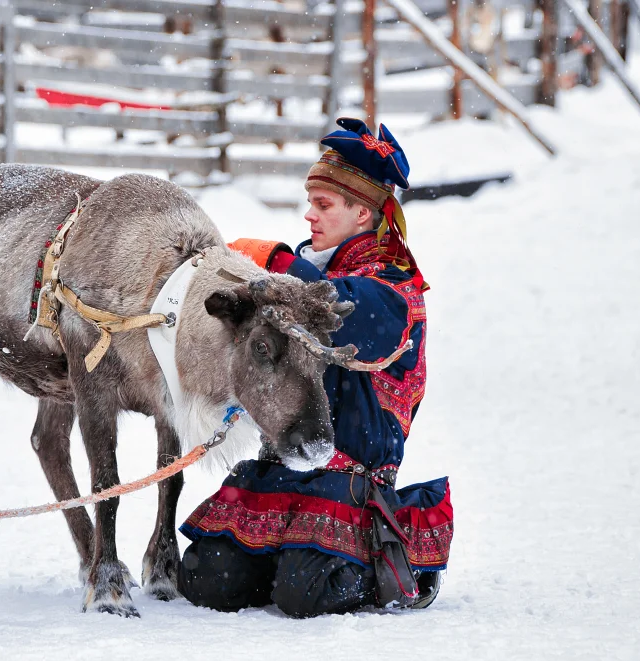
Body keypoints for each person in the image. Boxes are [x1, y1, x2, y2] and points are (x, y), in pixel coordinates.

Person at [177, 118, 453, 617]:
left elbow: (335, 308)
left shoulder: (393, 291)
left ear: (363, 214)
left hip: (350, 481)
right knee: (205, 581)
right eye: (310, 202)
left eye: (323, 205)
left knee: (306, 595)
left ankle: (403, 560)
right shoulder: (300, 279)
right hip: (285, 463)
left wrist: (275, 262)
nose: (309, 216)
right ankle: (285, 557)